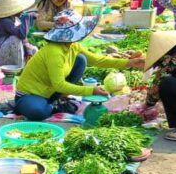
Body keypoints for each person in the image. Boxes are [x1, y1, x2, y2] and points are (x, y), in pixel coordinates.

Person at [15, 9, 146, 121]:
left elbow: (96, 60)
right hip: (30, 94)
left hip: (50, 92)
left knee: (81, 60)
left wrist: (129, 63)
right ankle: (51, 106)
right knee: (38, 112)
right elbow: (59, 84)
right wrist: (91, 90)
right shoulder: (54, 52)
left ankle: (55, 101)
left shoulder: (72, 46)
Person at [0, 0, 38, 66]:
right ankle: (20, 67)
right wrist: (27, 17)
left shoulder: (15, 19)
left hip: (1, 52)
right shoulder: (5, 21)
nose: (22, 11)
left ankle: (27, 68)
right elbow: (21, 35)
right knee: (15, 39)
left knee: (34, 49)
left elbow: (24, 39)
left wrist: (28, 50)